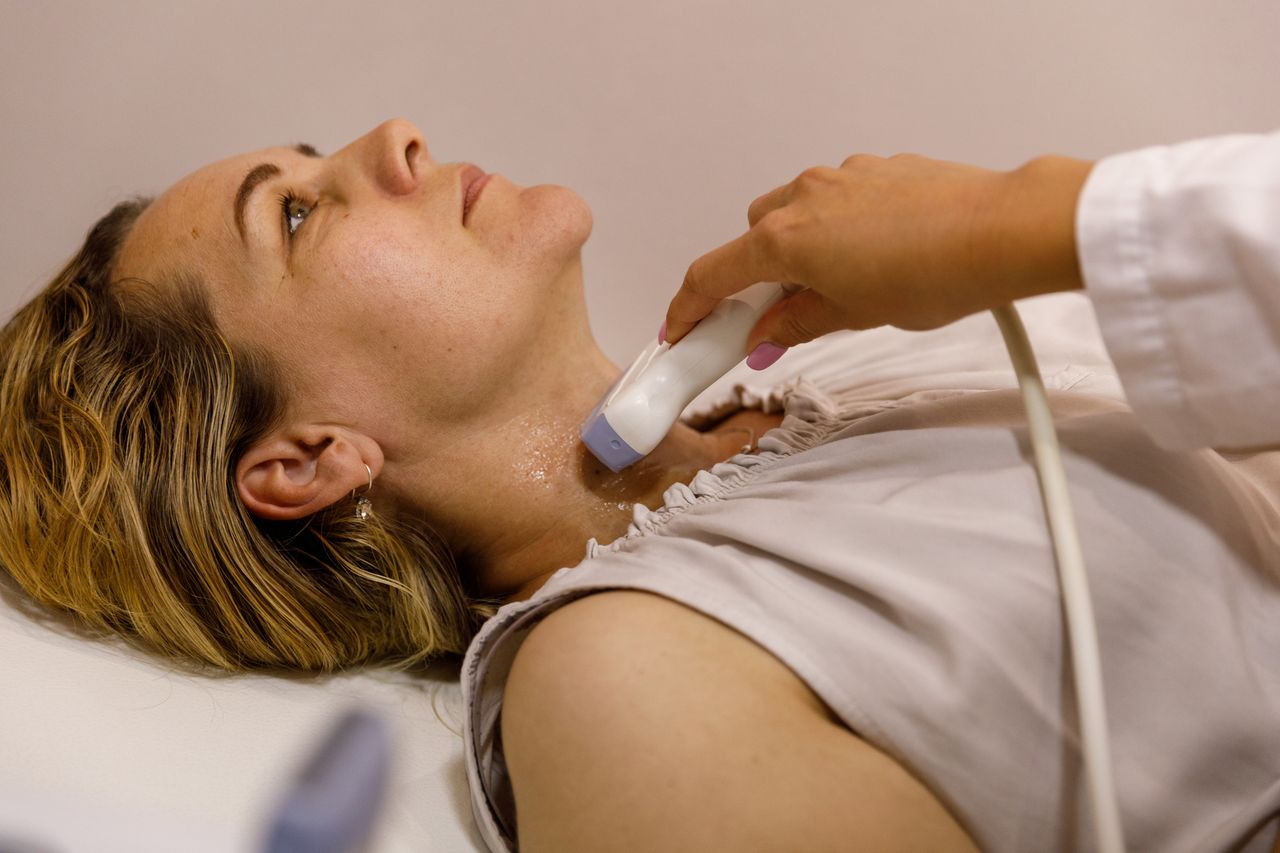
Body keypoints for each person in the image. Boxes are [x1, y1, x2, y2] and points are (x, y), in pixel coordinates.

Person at [0, 120, 1275, 851]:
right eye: (294, 215)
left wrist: (1033, 226)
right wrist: (1043, 222)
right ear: (307, 459)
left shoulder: (862, 339)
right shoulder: (612, 682)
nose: (392, 138)